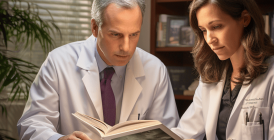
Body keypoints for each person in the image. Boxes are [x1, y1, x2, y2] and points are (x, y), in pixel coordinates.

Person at [17, 0, 179, 140]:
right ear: (94, 27)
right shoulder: (58, 62)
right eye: (115, 35)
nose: (126, 47)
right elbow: (32, 123)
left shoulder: (155, 69)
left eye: (134, 34)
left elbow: (167, 130)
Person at [171, 0, 274, 140]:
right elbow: (185, 133)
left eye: (216, 26)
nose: (210, 39)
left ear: (245, 19)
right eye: (204, 30)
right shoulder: (210, 78)